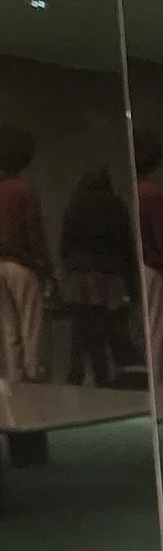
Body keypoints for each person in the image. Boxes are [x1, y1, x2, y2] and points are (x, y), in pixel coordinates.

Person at [57, 168, 142, 387]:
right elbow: (127, 246)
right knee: (110, 322)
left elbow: (65, 244)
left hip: (80, 275)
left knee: (82, 324)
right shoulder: (115, 205)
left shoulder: (75, 204)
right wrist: (132, 285)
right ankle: (107, 374)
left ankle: (78, 372)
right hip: (108, 273)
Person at [0, 127, 50, 383]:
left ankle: (15, 380)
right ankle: (34, 380)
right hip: (21, 264)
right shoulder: (23, 190)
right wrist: (45, 267)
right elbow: (35, 234)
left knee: (10, 331)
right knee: (32, 328)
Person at [132, 130, 163, 380]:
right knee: (156, 328)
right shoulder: (151, 192)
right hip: (152, 266)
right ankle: (158, 379)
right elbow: (161, 234)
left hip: (136, 265)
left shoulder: (131, 191)